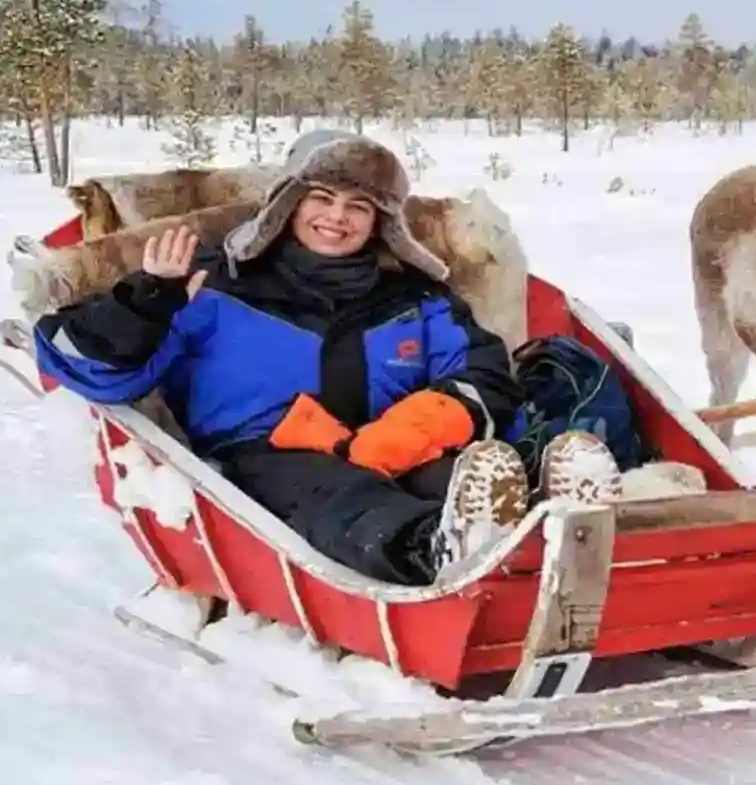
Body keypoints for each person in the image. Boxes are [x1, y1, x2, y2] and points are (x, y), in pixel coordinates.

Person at [35, 133, 618, 585]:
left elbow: (486, 373)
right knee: (341, 494)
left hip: (391, 448)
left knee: (454, 476)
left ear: (380, 222)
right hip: (263, 458)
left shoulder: (415, 297)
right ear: (287, 206)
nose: (337, 217)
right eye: (321, 198)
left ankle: (561, 528)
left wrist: (414, 428)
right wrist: (146, 300)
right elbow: (90, 368)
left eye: (358, 207)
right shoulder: (213, 284)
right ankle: (428, 551)